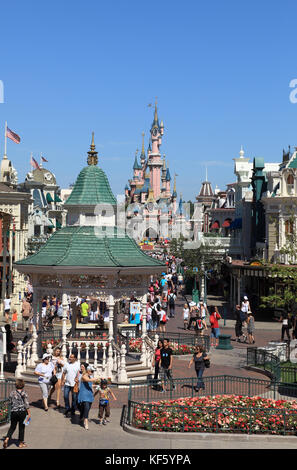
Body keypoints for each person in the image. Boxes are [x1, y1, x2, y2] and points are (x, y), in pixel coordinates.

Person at [3, 379, 31, 449]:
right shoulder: (24, 393)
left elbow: (9, 402)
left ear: (16, 385)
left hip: (14, 412)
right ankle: (21, 443)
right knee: (21, 427)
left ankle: (7, 438)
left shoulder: (12, 393)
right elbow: (26, 404)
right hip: (22, 412)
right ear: (23, 385)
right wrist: (29, 413)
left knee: (12, 426)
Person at [77, 363, 98, 430]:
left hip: (89, 394)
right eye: (91, 371)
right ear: (88, 370)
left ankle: (82, 416)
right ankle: (86, 421)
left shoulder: (90, 377)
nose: (92, 372)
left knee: (87, 408)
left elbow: (90, 384)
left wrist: (96, 386)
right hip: (84, 394)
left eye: (93, 371)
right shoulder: (84, 376)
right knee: (86, 406)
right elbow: (87, 380)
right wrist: (97, 379)